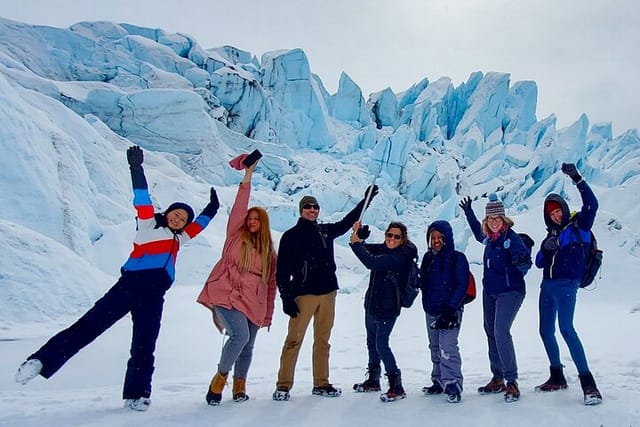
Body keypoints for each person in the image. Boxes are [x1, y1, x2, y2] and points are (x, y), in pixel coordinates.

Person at [14, 145, 219, 411]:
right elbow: (142, 198)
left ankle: (138, 394)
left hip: (154, 295)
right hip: (129, 287)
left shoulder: (180, 238)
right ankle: (39, 362)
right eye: (175, 214)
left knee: (145, 344)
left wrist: (212, 207)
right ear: (167, 214)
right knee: (88, 327)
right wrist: (136, 169)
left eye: (182, 218)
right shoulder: (148, 224)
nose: (179, 219)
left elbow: (200, 223)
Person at [272, 185, 378, 401]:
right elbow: (281, 271)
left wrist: (365, 200)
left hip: (328, 293)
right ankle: (283, 385)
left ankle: (321, 383)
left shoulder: (325, 231)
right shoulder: (290, 236)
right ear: (301, 210)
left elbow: (347, 223)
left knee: (323, 340)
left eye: (315, 207)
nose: (312, 210)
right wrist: (286, 298)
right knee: (294, 339)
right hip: (303, 295)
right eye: (308, 207)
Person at [197, 156, 277, 406]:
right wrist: (248, 175)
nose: (251, 222)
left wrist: (268, 314)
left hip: (254, 300)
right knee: (239, 336)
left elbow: (271, 285)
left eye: (256, 219)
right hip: (226, 292)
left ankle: (240, 386)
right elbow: (240, 204)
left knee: (248, 346)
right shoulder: (235, 235)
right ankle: (220, 379)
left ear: (262, 223)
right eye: (249, 219)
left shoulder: (268, 252)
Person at [534, 163, 603, 406]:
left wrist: (577, 179)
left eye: (558, 211)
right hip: (547, 287)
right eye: (551, 213)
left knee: (566, 328)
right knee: (545, 331)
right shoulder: (551, 235)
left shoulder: (580, 226)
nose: (556, 215)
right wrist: (545, 248)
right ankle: (557, 376)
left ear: (564, 208)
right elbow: (539, 263)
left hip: (567, 286)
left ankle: (588, 383)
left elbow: (592, 205)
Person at [459, 193, 532, 403]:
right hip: (490, 292)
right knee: (490, 331)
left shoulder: (512, 239)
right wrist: (469, 212)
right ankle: (497, 377)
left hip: (510, 292)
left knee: (501, 332)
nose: (493, 222)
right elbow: (476, 233)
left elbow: (525, 263)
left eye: (497, 218)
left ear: (504, 219)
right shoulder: (490, 239)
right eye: (490, 219)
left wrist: (520, 261)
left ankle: (512, 382)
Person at [349, 220, 417, 402]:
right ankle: (373, 379)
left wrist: (356, 243)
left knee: (381, 344)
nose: (392, 239)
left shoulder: (400, 257)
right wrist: (360, 238)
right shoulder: (385, 250)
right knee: (372, 342)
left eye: (397, 237)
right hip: (372, 304)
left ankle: (397, 385)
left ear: (403, 240)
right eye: (389, 235)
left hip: (388, 307)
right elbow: (367, 250)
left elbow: (371, 262)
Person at [419, 220, 470, 404]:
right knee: (434, 346)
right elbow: (422, 281)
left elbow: (462, 284)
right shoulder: (428, 258)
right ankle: (439, 380)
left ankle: (453, 383)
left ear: (447, 238)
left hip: (451, 311)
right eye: (433, 238)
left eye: (440, 237)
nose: (436, 241)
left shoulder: (458, 258)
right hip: (431, 309)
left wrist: (450, 309)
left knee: (447, 347)